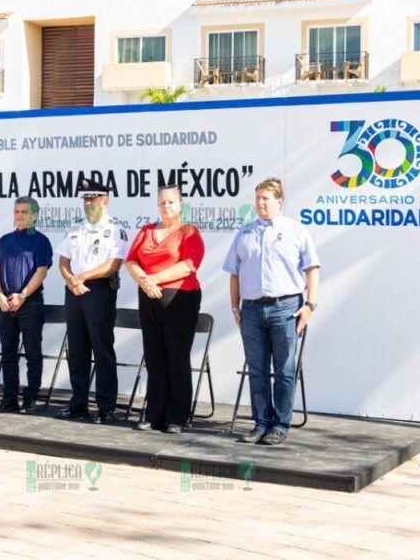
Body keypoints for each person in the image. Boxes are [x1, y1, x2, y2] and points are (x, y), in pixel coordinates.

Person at [223, 177, 321, 446]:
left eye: (266, 198)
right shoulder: (244, 233)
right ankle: (260, 423)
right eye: (257, 198)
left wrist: (310, 305)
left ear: (279, 200)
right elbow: (233, 273)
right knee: (257, 370)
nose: (260, 203)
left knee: (284, 370)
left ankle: (279, 425)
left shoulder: (296, 231)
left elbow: (312, 269)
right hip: (252, 309)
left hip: (286, 308)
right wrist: (235, 306)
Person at [125, 186, 205, 434]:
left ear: (180, 204)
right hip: (148, 296)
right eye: (161, 202)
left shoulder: (189, 232)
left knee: (176, 356)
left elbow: (189, 266)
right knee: (154, 355)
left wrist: (155, 279)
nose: (166, 206)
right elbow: (131, 261)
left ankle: (178, 417)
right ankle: (154, 413)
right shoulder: (146, 231)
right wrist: (144, 282)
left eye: (171, 202)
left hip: (180, 298)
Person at [55, 178, 128, 424]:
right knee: (76, 350)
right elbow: (63, 261)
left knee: (102, 349)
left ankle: (106, 406)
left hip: (99, 291)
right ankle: (78, 404)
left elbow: (113, 264)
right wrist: (71, 280)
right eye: (85, 198)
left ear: (105, 200)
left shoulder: (116, 228)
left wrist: (82, 277)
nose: (88, 203)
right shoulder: (75, 227)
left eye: (93, 198)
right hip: (74, 291)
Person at [0, 196, 53, 414]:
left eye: (24, 212)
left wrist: (23, 295)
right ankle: (9, 398)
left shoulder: (41, 241)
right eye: (16, 211)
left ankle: (31, 398)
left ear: (35, 216)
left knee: (32, 352)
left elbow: (41, 271)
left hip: (30, 304)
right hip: (5, 304)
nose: (19, 215)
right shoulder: (5, 240)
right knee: (8, 353)